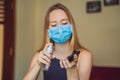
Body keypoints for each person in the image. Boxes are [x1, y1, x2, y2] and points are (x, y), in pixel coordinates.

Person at [23, 3, 92, 80]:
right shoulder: (40, 55)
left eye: (64, 23)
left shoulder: (84, 56)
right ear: (48, 31)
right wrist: (38, 65)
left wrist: (72, 72)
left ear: (71, 26)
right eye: (54, 25)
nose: (60, 29)